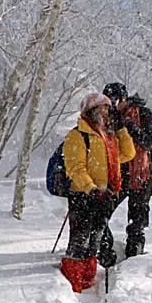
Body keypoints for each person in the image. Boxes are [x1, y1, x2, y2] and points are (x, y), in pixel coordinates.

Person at [59, 92, 136, 292]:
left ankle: (86, 280)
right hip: (84, 196)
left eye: (107, 108)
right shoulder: (78, 136)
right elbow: (75, 169)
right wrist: (91, 189)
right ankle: (73, 284)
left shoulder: (108, 136)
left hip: (105, 195)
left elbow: (128, 154)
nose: (106, 112)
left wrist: (120, 129)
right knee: (79, 240)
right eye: (102, 108)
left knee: (94, 240)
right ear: (91, 111)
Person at [100, 82, 152, 261]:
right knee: (101, 213)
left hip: (141, 175)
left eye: (115, 100)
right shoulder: (107, 117)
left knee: (137, 221)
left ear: (125, 98)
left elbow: (150, 142)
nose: (113, 105)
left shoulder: (142, 114)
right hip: (116, 175)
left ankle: (134, 254)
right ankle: (105, 249)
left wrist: (130, 128)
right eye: (108, 102)